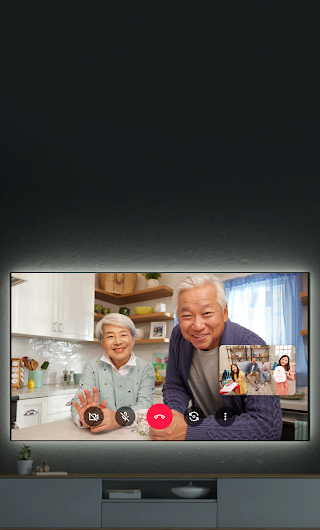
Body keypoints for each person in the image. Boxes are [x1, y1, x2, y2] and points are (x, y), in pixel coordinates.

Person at [148, 273, 283, 441]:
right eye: (187, 315)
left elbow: (267, 426)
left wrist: (191, 431)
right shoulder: (179, 336)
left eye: (207, 313)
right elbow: (176, 386)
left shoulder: (252, 349)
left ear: (225, 312)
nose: (197, 326)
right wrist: (174, 418)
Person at [71, 313, 155, 432]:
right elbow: (79, 403)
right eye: (110, 336)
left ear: (133, 340)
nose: (117, 341)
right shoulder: (92, 366)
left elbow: (145, 406)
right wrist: (84, 417)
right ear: (102, 344)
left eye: (123, 335)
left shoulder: (146, 368)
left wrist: (118, 419)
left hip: (132, 435)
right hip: (100, 435)